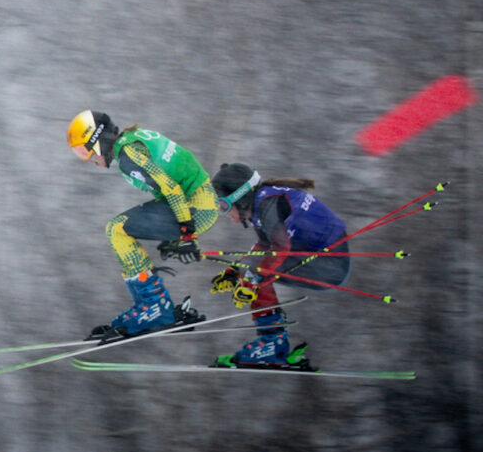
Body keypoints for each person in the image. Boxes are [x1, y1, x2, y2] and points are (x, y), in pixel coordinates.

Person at [67, 110, 219, 338]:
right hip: (197, 203)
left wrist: (187, 234)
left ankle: (155, 306)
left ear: (98, 140)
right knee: (119, 229)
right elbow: (176, 175)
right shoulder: (132, 140)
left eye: (84, 151)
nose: (88, 159)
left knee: (117, 229)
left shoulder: (128, 156)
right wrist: (175, 236)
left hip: (196, 207)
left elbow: (171, 188)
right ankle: (147, 306)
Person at [209, 162, 351, 368]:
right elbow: (265, 246)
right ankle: (272, 342)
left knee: (258, 274)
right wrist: (236, 271)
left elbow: (279, 248)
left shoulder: (268, 205)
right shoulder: (265, 202)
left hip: (330, 265)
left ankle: (272, 345)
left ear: (240, 198)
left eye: (224, 207)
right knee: (255, 273)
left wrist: (251, 279)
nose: (228, 216)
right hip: (325, 259)